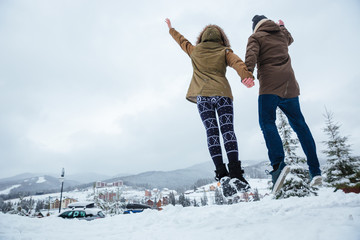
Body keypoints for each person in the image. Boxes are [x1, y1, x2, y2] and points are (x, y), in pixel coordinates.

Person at [165, 18, 254, 195]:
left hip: (203, 97)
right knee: (227, 131)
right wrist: (246, 76)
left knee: (212, 133)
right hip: (222, 95)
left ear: (202, 38)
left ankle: (222, 175)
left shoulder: (195, 51)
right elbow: (237, 62)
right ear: (221, 38)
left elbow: (182, 41)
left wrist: (171, 29)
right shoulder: (225, 51)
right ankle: (236, 174)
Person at [243, 15, 322, 194]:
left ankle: (278, 166)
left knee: (267, 122)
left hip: (270, 86)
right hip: (290, 87)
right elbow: (290, 38)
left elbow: (251, 55)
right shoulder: (281, 34)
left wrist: (247, 73)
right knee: (301, 126)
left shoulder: (255, 37)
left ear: (255, 27)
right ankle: (315, 170)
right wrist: (283, 26)